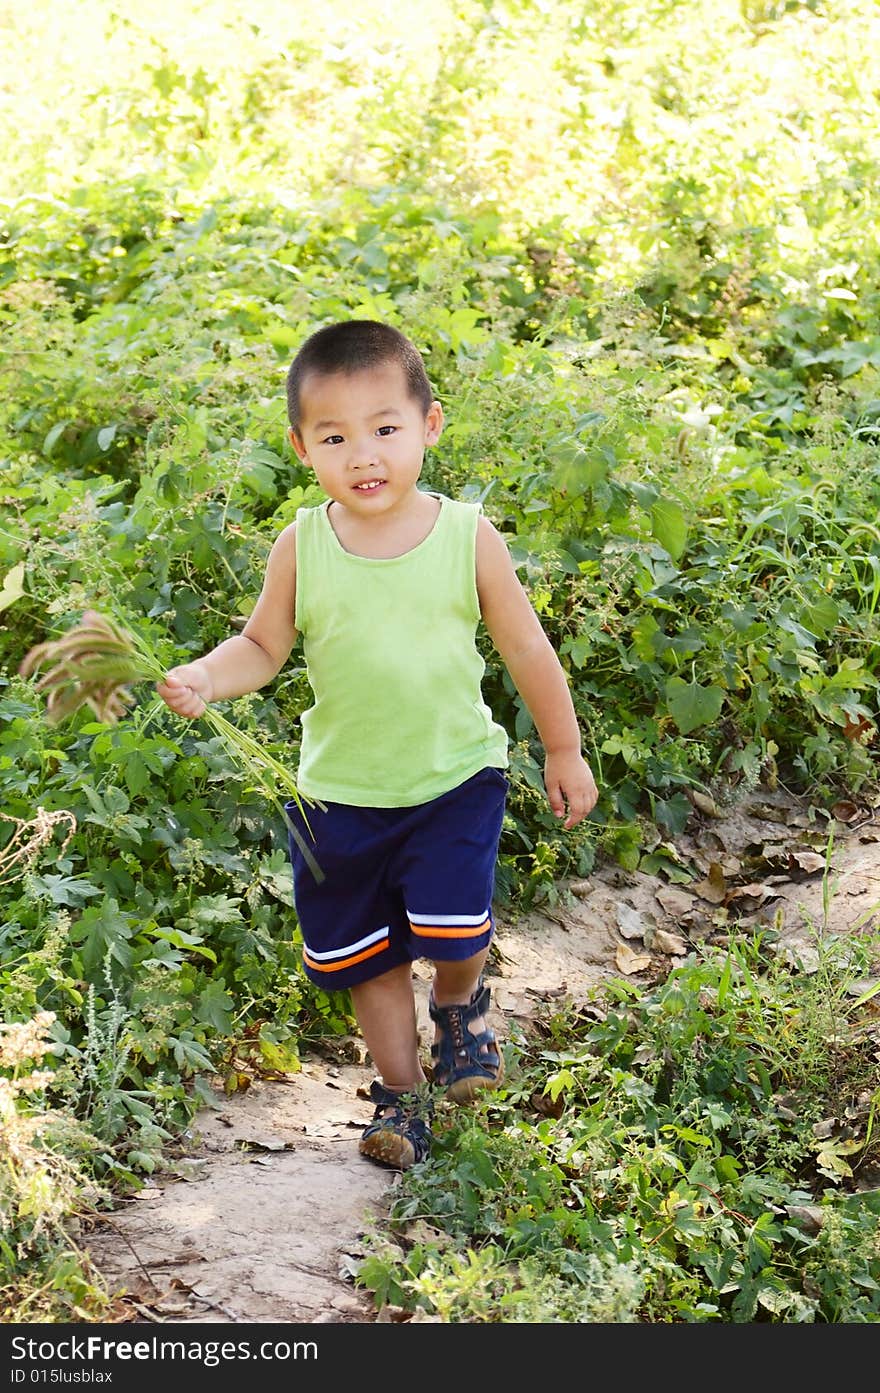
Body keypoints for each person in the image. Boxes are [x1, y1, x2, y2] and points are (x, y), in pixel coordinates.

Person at [156, 320, 598, 1169]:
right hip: (339, 795)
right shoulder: (303, 544)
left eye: (386, 429)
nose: (364, 455)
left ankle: (462, 1009)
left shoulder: (467, 536)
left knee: (453, 930)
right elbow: (261, 645)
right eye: (335, 436)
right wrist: (208, 677)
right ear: (302, 447)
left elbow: (527, 648)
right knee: (368, 958)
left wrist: (563, 748)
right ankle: (401, 1095)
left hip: (452, 776)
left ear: (429, 425)